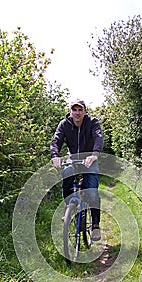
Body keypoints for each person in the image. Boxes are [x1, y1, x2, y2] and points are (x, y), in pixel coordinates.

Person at [50, 99, 104, 241]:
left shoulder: (92, 122)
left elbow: (98, 138)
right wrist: (55, 156)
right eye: (74, 110)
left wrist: (94, 155)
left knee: (92, 191)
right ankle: (69, 207)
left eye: (80, 110)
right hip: (73, 159)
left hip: (89, 160)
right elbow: (56, 141)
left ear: (85, 112)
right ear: (70, 112)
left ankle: (95, 226)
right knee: (66, 175)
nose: (77, 113)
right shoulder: (64, 124)